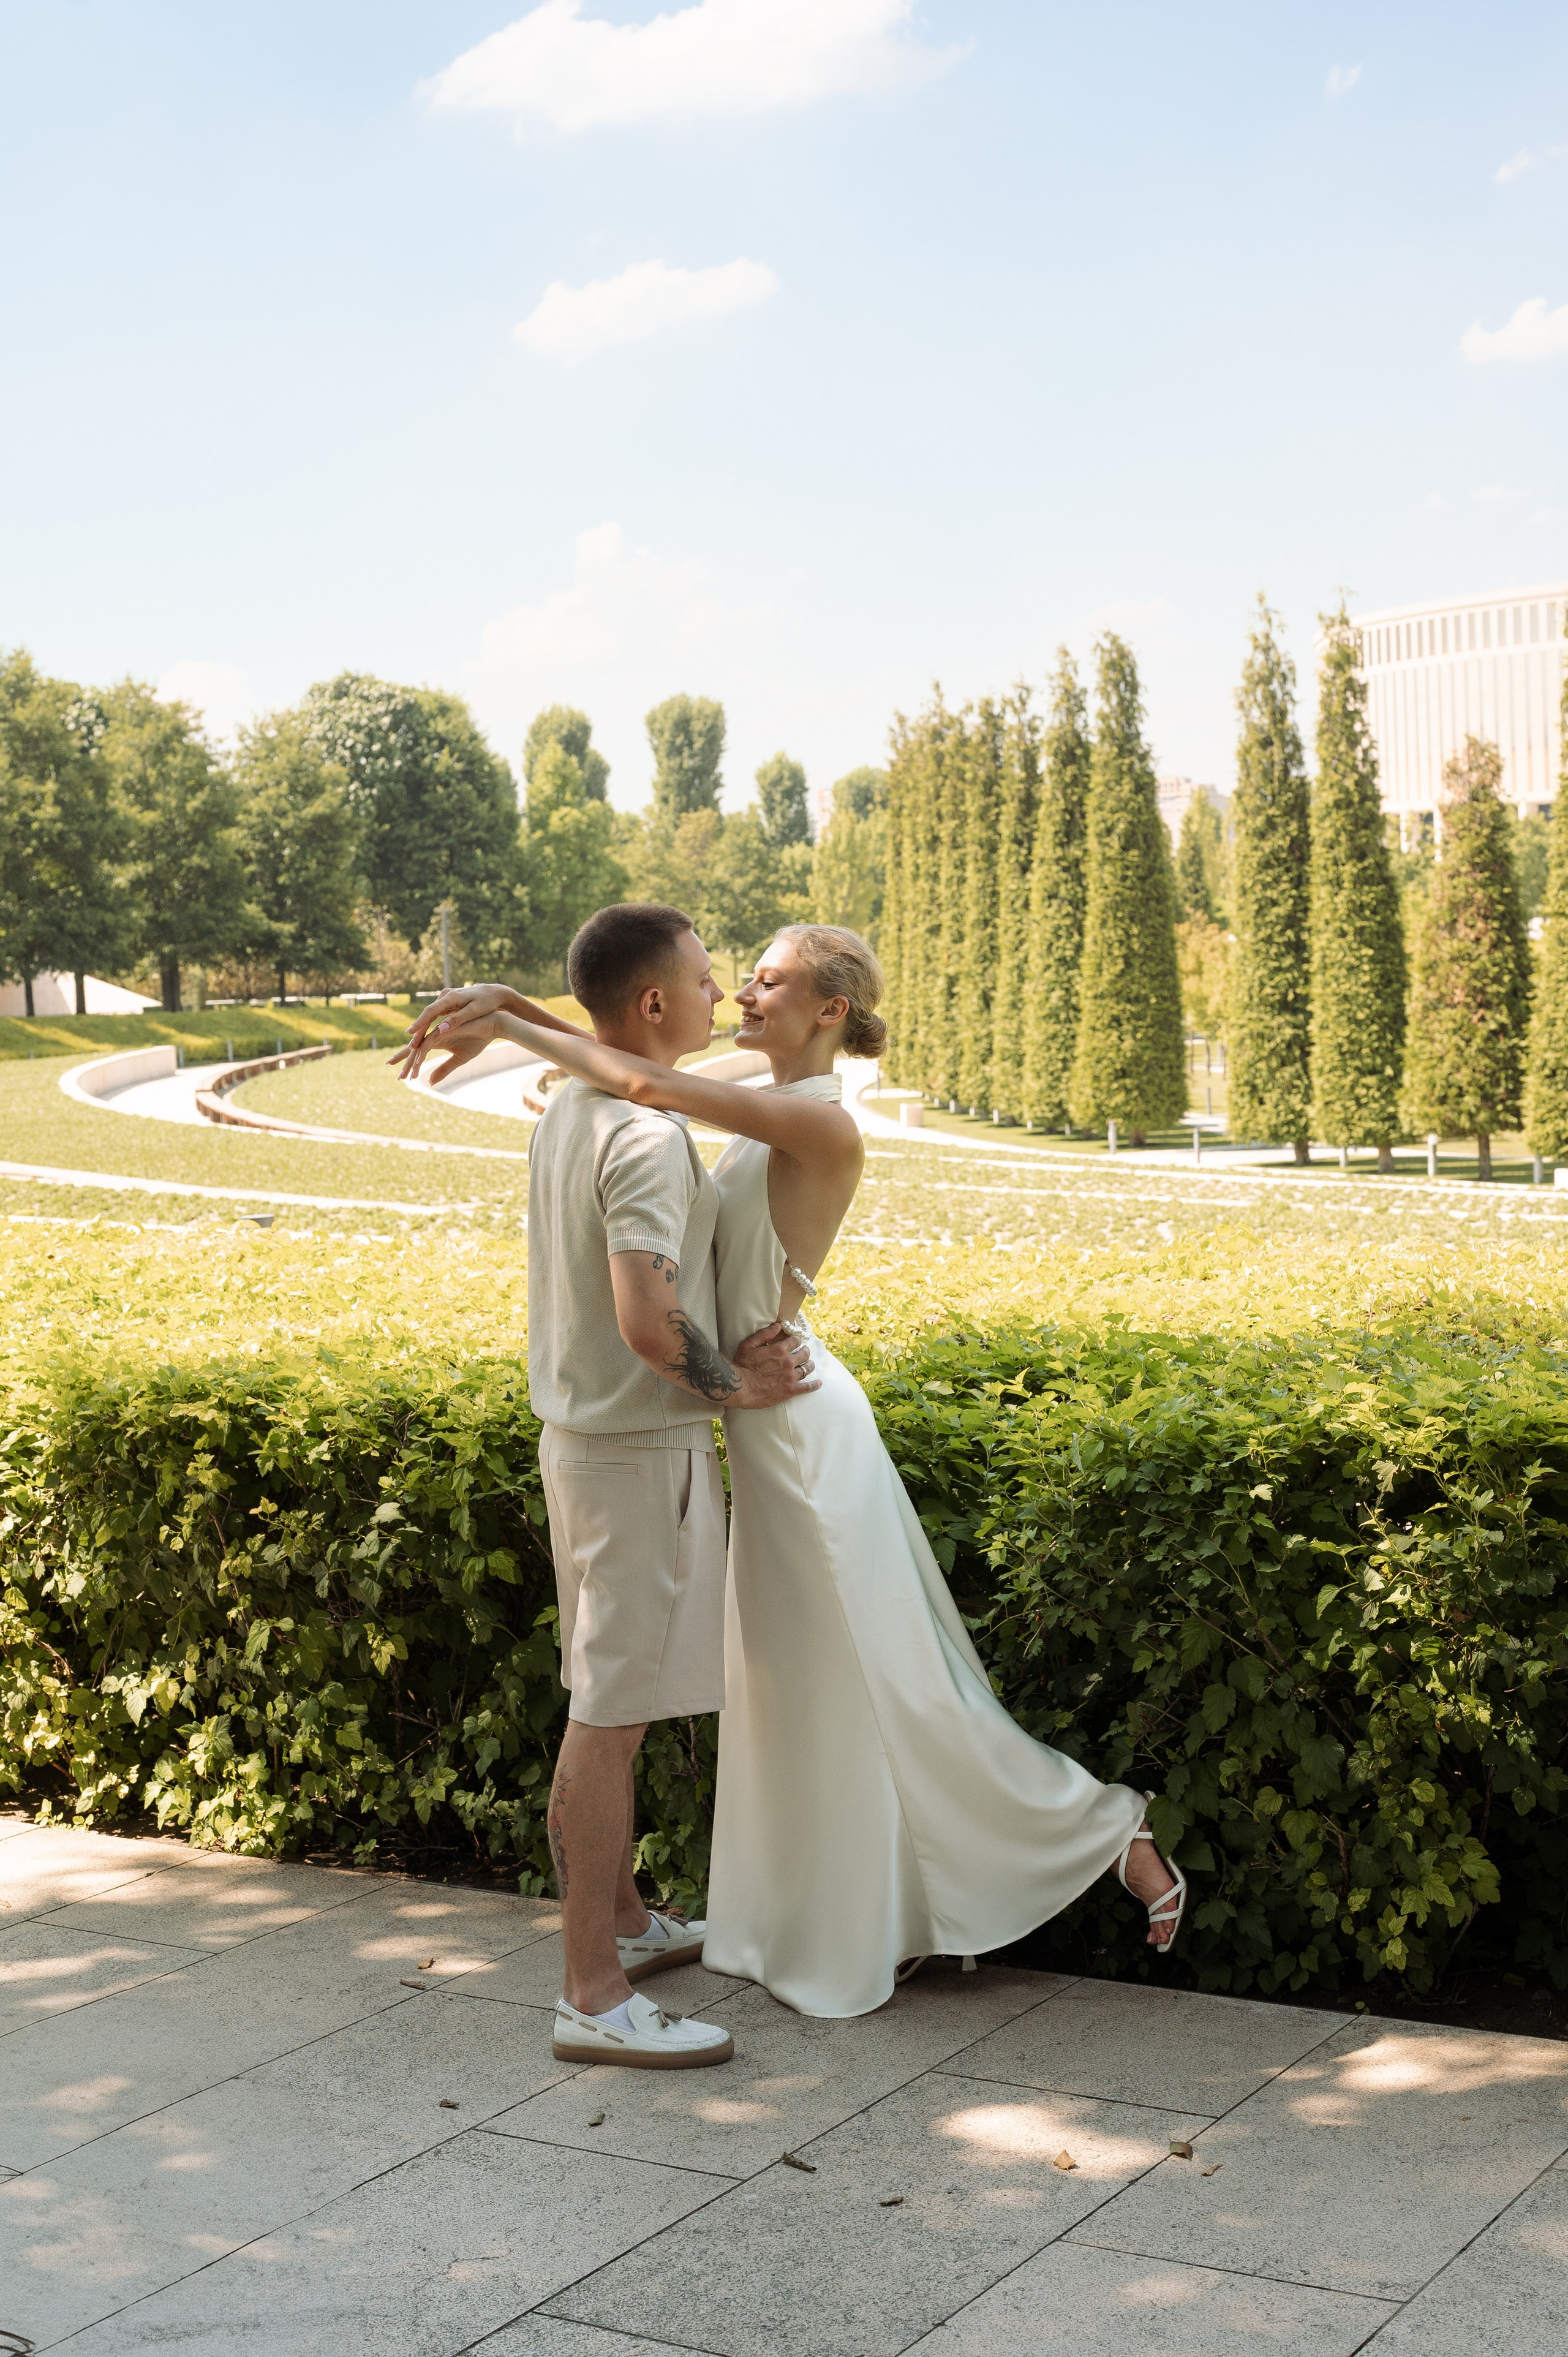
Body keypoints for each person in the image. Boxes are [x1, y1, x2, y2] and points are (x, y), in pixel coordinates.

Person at [401, 918, 1185, 2019]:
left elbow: (637, 1072)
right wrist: (526, 1010)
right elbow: (639, 1047)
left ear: (829, 1012)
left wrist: (517, 1016)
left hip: (800, 1432)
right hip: (753, 1422)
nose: (742, 995)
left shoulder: (819, 1124)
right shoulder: (746, 1083)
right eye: (738, 979)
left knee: (893, 1687)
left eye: (768, 983)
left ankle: (1110, 1831)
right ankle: (863, 1914)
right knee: (808, 1698)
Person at [401, 904, 818, 2067]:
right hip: (639, 1458)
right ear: (650, 1006)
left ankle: (628, 1927)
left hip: (581, 1445)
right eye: (700, 979)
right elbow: (647, 1319)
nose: (718, 994)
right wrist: (736, 1383)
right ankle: (591, 1994)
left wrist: (518, 1014)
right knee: (610, 1724)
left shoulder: (577, 1105)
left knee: (603, 1696)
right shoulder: (644, 1136)